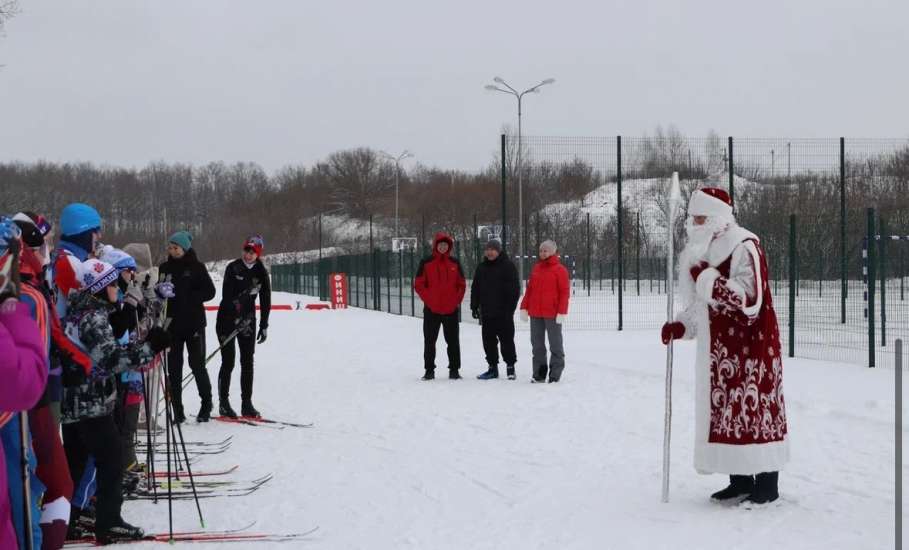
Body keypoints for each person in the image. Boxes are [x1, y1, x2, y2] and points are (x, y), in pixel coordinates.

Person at [661, 187, 789, 505]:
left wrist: (707, 279)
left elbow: (749, 298)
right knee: (727, 413)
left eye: (700, 217)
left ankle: (767, 482)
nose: (693, 223)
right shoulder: (701, 249)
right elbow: (702, 306)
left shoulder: (745, 244)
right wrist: (683, 325)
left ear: (717, 217)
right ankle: (740, 478)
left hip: (751, 348)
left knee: (754, 411)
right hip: (720, 353)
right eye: (691, 217)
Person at [60, 258, 171, 544]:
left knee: (78, 461)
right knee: (112, 460)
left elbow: (104, 351)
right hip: (90, 403)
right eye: (111, 284)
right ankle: (108, 522)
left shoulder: (82, 311)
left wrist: (143, 342)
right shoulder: (93, 317)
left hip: (77, 402)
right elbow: (110, 360)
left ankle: (69, 518)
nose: (116, 290)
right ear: (99, 287)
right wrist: (150, 347)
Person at [0, 219, 48, 550]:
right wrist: (10, 305)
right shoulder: (27, 296)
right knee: (24, 483)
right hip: (18, 412)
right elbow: (24, 380)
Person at [156, 231, 216, 423]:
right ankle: (177, 410)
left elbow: (210, 292)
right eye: (170, 248)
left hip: (193, 323)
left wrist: (189, 297)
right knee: (174, 368)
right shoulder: (165, 267)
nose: (172, 251)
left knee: (197, 364)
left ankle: (206, 403)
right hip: (172, 325)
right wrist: (160, 292)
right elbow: (157, 292)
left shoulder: (196, 267)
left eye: (176, 248)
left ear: (184, 248)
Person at [216, 235, 271, 418]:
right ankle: (224, 403)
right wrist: (247, 295)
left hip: (248, 321)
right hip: (227, 320)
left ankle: (246, 404)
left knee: (247, 362)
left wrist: (264, 324)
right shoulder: (233, 268)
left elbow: (265, 299)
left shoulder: (261, 271)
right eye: (246, 251)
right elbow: (227, 297)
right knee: (228, 361)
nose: (248, 255)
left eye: (252, 252)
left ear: (258, 254)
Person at [414, 233, 466, 381]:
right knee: (430, 341)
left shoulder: (455, 263)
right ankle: (429, 370)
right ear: (435, 246)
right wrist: (430, 300)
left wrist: (455, 301)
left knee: (453, 341)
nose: (443, 247)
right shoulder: (426, 262)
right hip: (432, 310)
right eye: (440, 245)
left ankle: (454, 370)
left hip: (451, 310)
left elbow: (461, 285)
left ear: (449, 247)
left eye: (445, 245)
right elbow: (418, 284)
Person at [519, 240, 570, 383]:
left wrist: (562, 311)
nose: (542, 253)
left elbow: (564, 293)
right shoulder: (536, 269)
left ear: (553, 252)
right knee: (537, 345)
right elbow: (530, 290)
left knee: (555, 344)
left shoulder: (560, 270)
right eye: (541, 251)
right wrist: (524, 306)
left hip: (552, 313)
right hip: (535, 313)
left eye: (545, 251)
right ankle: (539, 374)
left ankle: (555, 374)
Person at [471, 239, 520, 380]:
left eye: (493, 249)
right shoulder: (481, 268)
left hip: (504, 313)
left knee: (507, 341)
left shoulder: (508, 266)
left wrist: (509, 309)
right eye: (487, 249)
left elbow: (515, 290)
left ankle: (510, 367)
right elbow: (476, 288)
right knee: (488, 342)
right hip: (487, 312)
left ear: (498, 251)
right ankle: (492, 368)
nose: (490, 252)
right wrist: (474, 306)